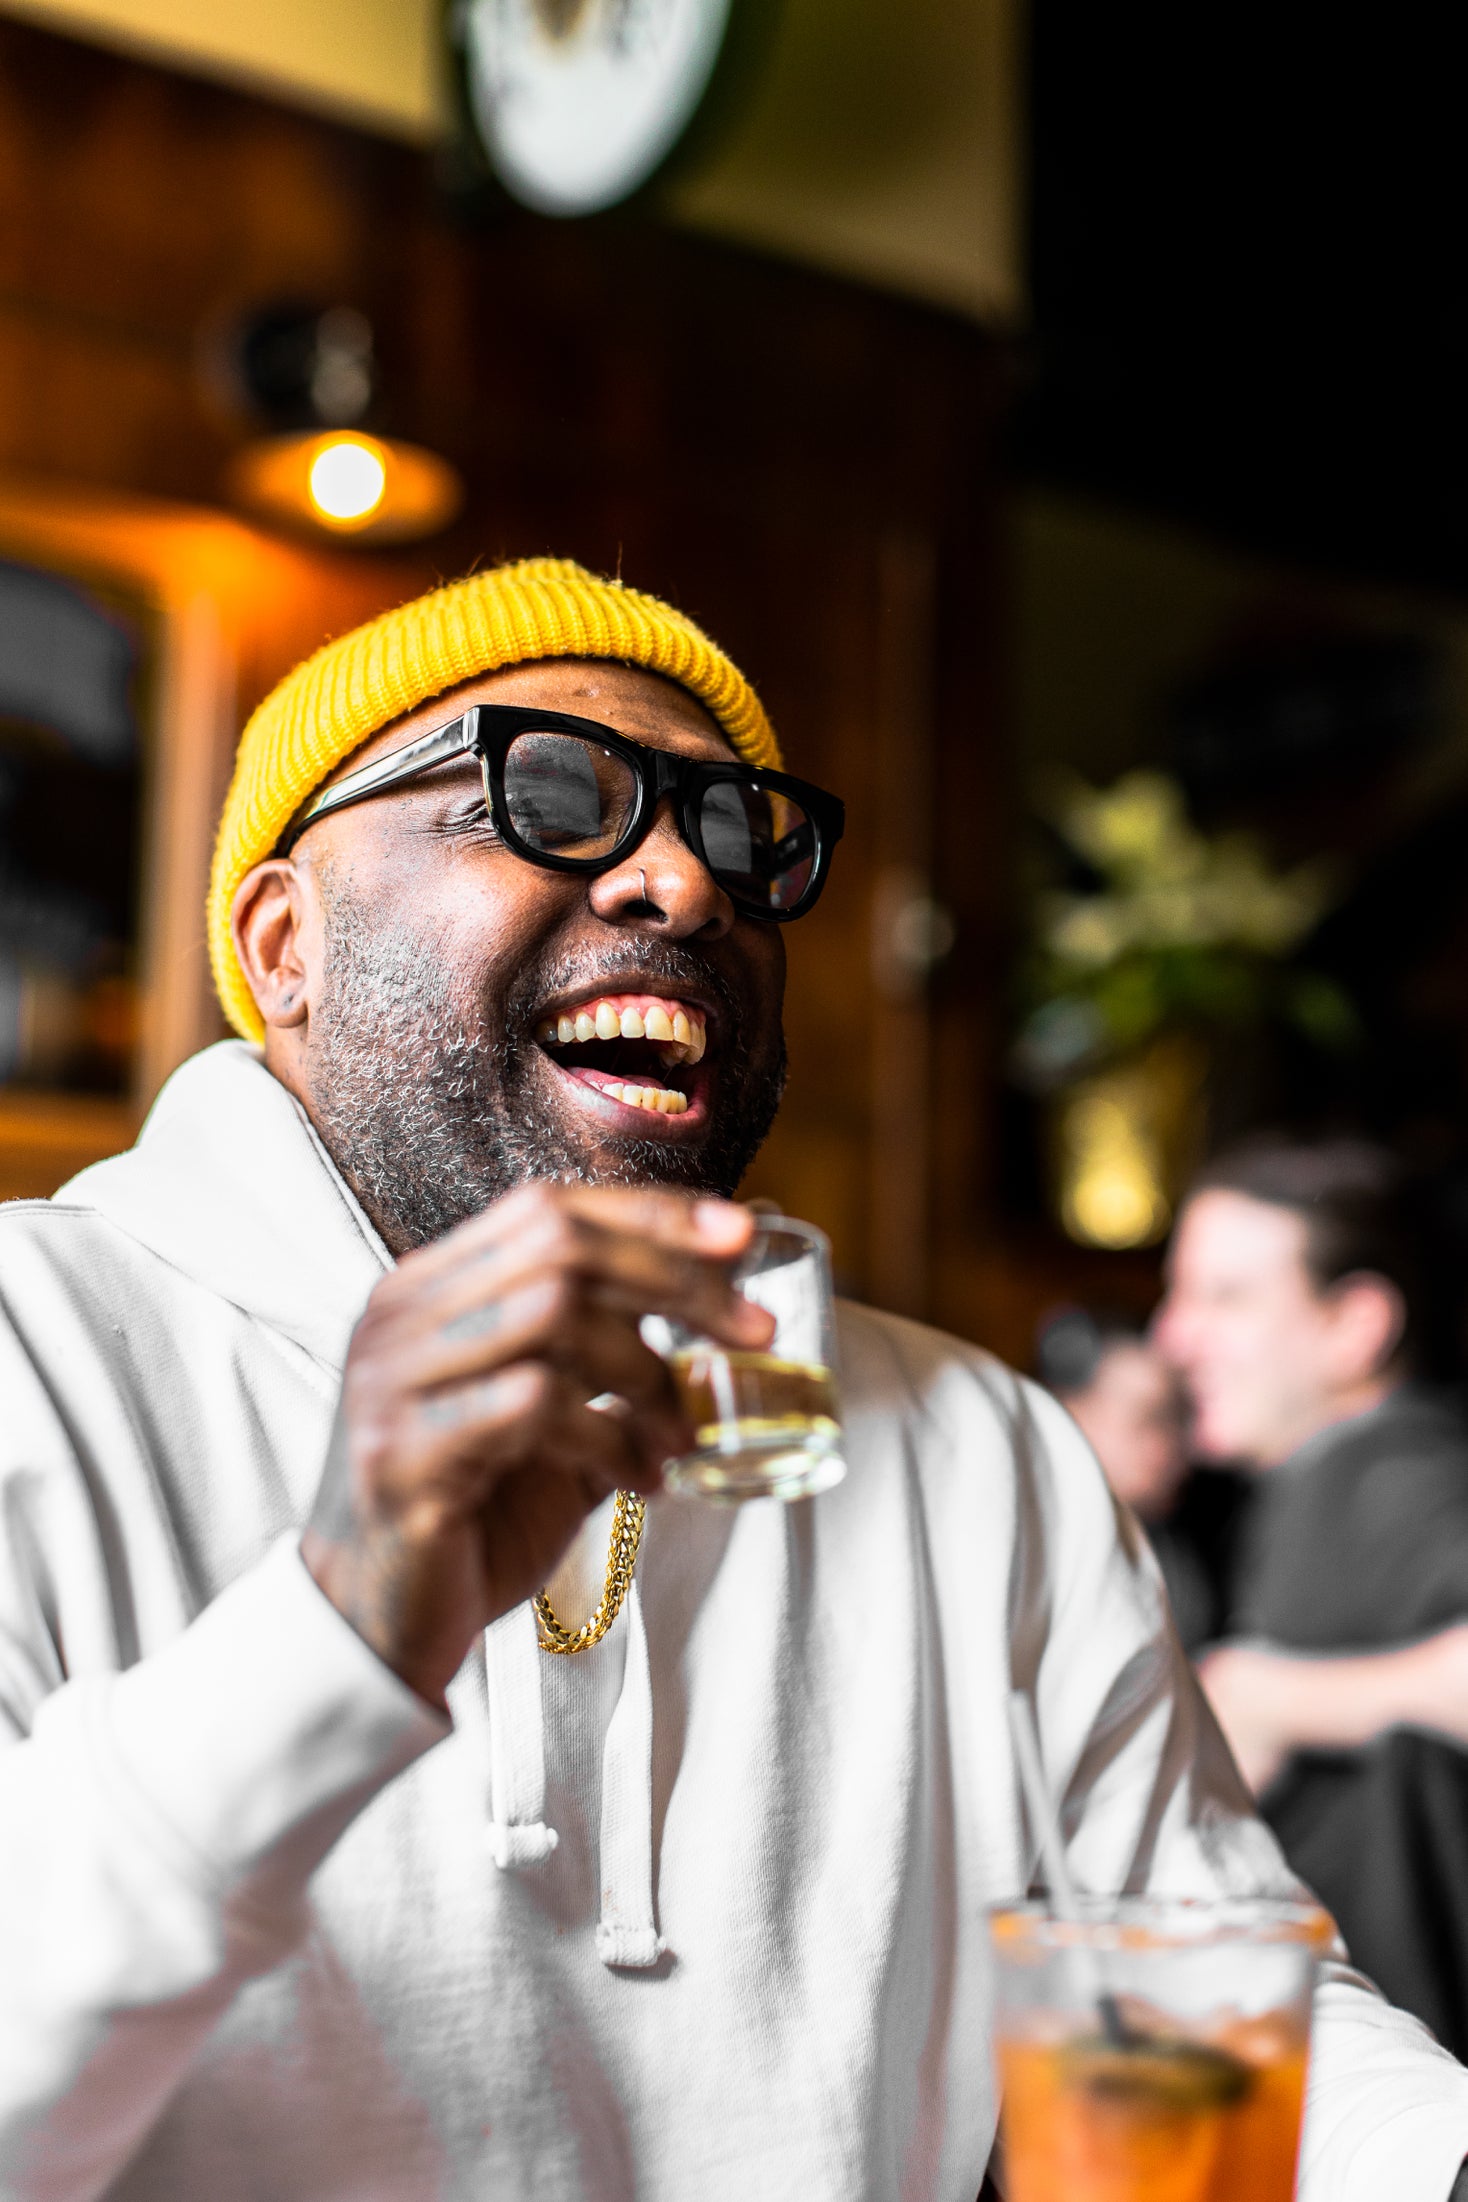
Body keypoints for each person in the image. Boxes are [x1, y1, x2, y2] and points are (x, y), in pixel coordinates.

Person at [2, 561, 1467, 2202]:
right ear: (287, 944)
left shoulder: (982, 1446)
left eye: (732, 835)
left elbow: (1191, 2032)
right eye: (551, 795)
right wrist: (333, 1625)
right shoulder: (30, 1353)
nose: (685, 885)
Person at [1154, 1137, 1468, 1792]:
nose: (1172, 1338)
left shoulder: (1395, 1481)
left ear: (1354, 1325)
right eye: (1177, 1294)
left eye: (1226, 1298)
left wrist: (1276, 1700)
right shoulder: (1325, 1479)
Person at [1035, 1307, 1246, 1651]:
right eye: (1149, 1419)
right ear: (1072, 1414)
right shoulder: (1035, 1548)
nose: (1175, 1445)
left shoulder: (1190, 1531)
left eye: (1180, 1419)